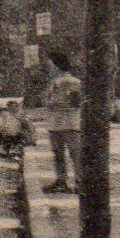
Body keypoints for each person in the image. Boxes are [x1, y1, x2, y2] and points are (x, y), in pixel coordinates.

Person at [42, 50, 82, 195]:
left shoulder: (73, 82)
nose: (49, 68)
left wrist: (55, 102)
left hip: (69, 123)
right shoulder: (54, 82)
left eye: (51, 65)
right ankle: (62, 181)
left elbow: (75, 102)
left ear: (58, 66)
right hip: (57, 123)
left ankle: (77, 182)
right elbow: (46, 101)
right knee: (60, 154)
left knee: (73, 153)